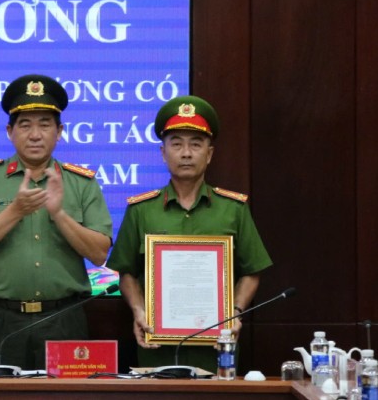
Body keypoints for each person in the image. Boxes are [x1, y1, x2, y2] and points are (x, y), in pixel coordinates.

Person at [0, 74, 113, 370]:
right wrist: (14, 211)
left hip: (65, 317)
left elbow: (99, 253)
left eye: (44, 124)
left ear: (59, 131)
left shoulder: (82, 183)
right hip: (3, 319)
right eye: (25, 125)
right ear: (9, 131)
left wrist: (59, 215)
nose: (35, 134)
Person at [106, 95, 272, 371]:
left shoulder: (233, 209)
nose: (186, 153)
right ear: (163, 152)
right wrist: (138, 310)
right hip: (156, 348)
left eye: (195, 145)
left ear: (209, 154)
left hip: (218, 349)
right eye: (177, 144)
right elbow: (126, 273)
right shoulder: (141, 210)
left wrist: (235, 312)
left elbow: (252, 270)